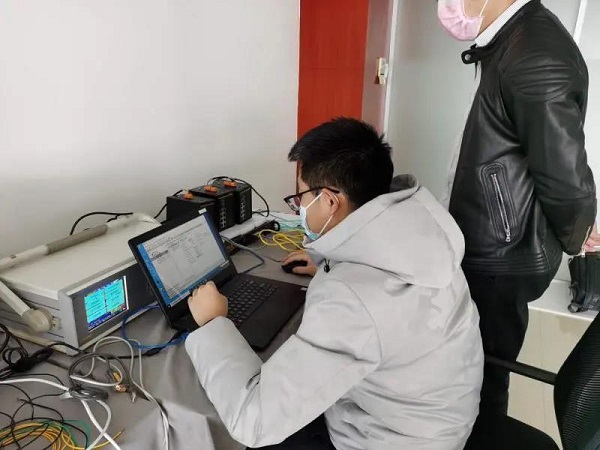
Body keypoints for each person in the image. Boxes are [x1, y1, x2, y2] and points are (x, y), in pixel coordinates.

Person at [185, 118, 484, 450]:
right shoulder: (420, 235)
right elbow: (386, 304)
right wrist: (332, 261)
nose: (298, 208)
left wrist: (214, 323)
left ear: (329, 201)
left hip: (388, 440)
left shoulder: (352, 299)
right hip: (438, 419)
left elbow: (253, 421)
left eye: (299, 198)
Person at [437, 0, 598, 418]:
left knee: (483, 375)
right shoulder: (510, 41)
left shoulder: (535, 54)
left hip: (501, 255)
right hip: (494, 242)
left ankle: (482, 437)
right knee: (468, 365)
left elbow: (564, 175)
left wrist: (578, 232)